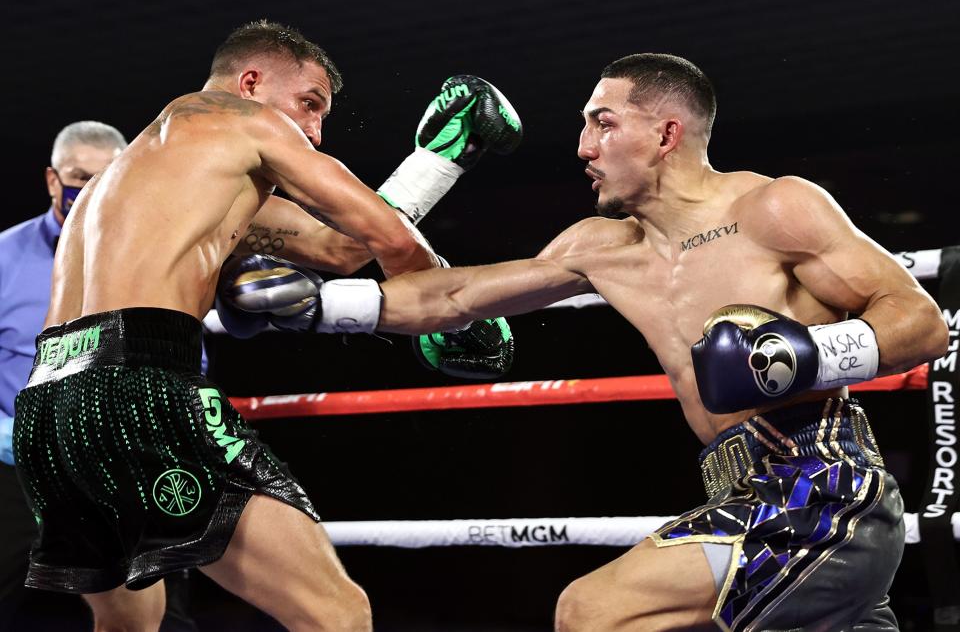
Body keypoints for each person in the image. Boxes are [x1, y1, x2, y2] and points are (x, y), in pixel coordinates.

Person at [232, 53, 948, 630]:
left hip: (820, 486)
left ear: (666, 134)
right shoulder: (601, 248)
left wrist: (806, 357)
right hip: (744, 492)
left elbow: (921, 322)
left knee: (593, 610)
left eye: (603, 124)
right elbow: (453, 296)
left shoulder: (773, 207)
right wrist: (326, 303)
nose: (583, 147)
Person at [12, 20, 520, 632]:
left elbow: (338, 249)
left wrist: (436, 162)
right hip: (141, 390)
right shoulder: (243, 119)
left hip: (48, 414)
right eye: (308, 104)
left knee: (130, 626)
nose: (312, 130)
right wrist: (444, 308)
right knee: (337, 614)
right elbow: (387, 238)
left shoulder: (148, 174)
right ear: (250, 82)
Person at [0, 122, 198, 631]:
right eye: (76, 176)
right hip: (14, 469)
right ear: (51, 179)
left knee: (161, 615)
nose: (86, 189)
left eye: (102, 177)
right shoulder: (3, 257)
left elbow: (185, 361)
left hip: (126, 460)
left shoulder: (159, 256)